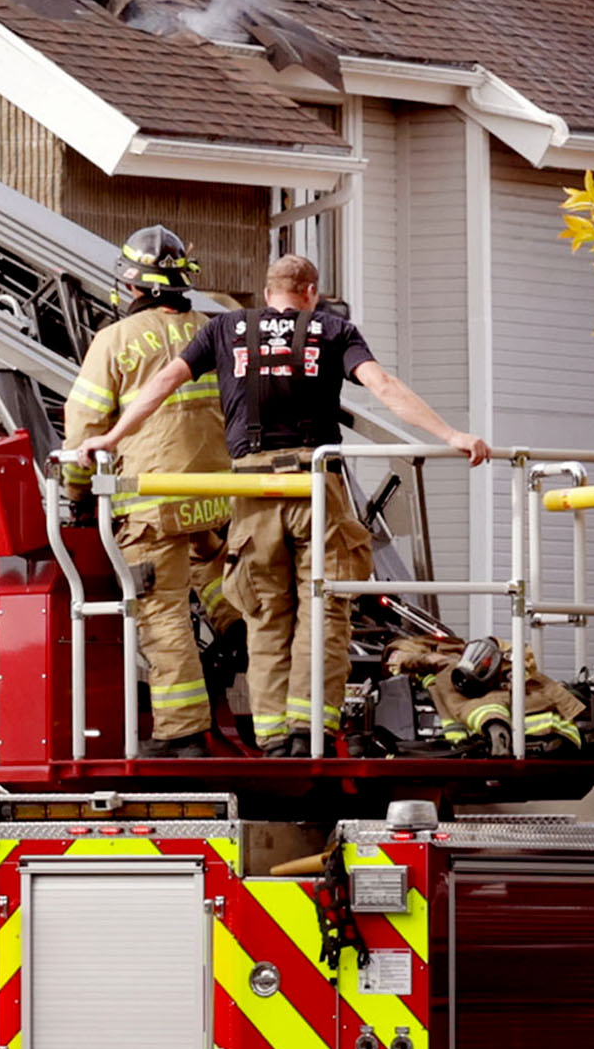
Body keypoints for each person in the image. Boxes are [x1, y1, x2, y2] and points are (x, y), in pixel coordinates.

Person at [82, 253, 491, 756]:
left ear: (268, 290)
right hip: (315, 487)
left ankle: (274, 738)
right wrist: (451, 434)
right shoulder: (334, 331)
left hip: (251, 493)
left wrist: (112, 437)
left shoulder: (225, 329)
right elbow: (383, 387)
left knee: (264, 613)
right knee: (322, 609)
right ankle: (310, 731)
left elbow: (163, 383)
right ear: (310, 293)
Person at [60, 227, 240, 758]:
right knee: (212, 571)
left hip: (151, 498)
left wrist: (76, 494)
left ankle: (182, 734)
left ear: (132, 286)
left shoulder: (114, 341)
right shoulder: (212, 330)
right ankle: (238, 632)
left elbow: (84, 425)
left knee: (161, 611)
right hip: (218, 493)